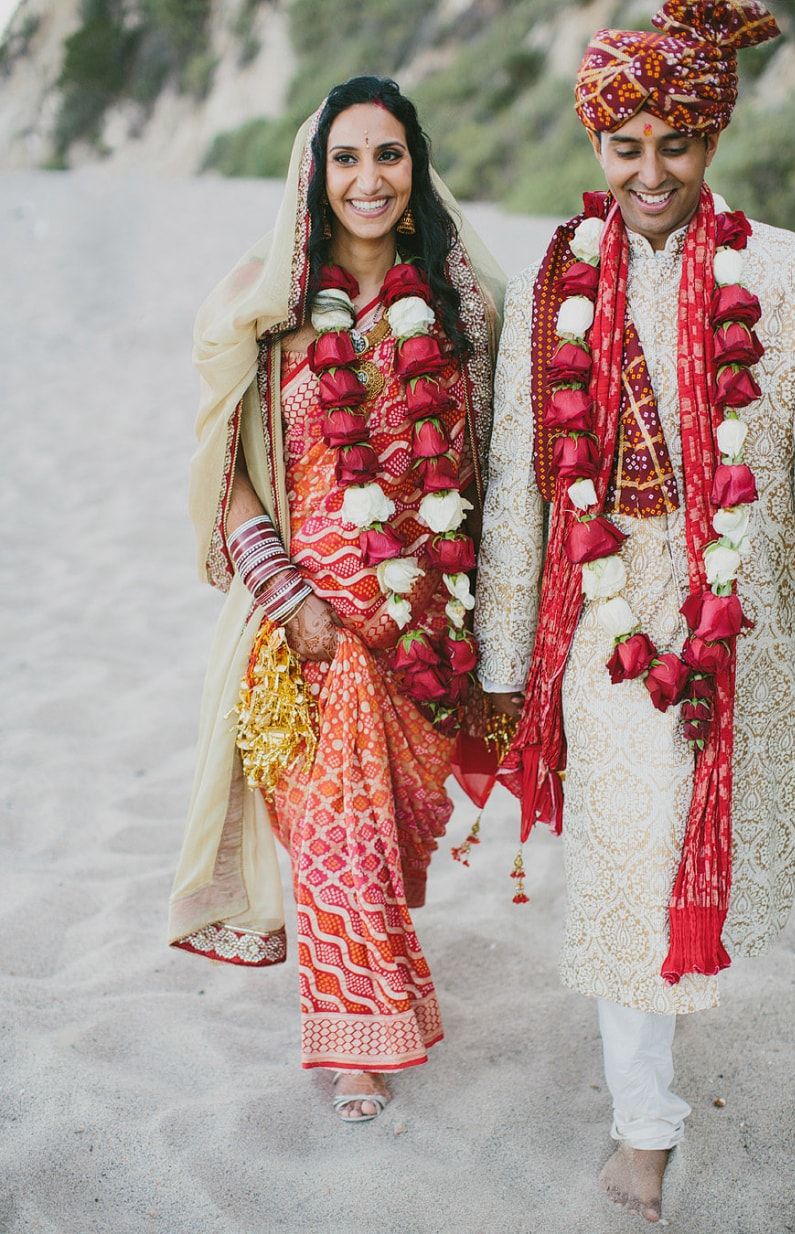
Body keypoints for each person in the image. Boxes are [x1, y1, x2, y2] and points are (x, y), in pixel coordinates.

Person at [475, 0, 795, 1220]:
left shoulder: (788, 276)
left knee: (729, 856)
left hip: (745, 622)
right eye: (625, 144)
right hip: (606, 623)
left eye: (675, 140)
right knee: (628, 860)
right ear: (596, 147)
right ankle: (644, 1126)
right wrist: (506, 659)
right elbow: (521, 476)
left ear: (712, 136)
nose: (650, 171)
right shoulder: (556, 280)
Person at [169, 76, 505, 1122]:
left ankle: (371, 969)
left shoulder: (464, 302)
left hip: (425, 627)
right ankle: (359, 1045)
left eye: (388, 155)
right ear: (313, 173)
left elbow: (499, 470)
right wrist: (286, 592)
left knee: (392, 840)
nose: (368, 178)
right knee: (338, 838)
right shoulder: (260, 300)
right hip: (306, 630)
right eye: (346, 157)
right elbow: (220, 469)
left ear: (416, 170)